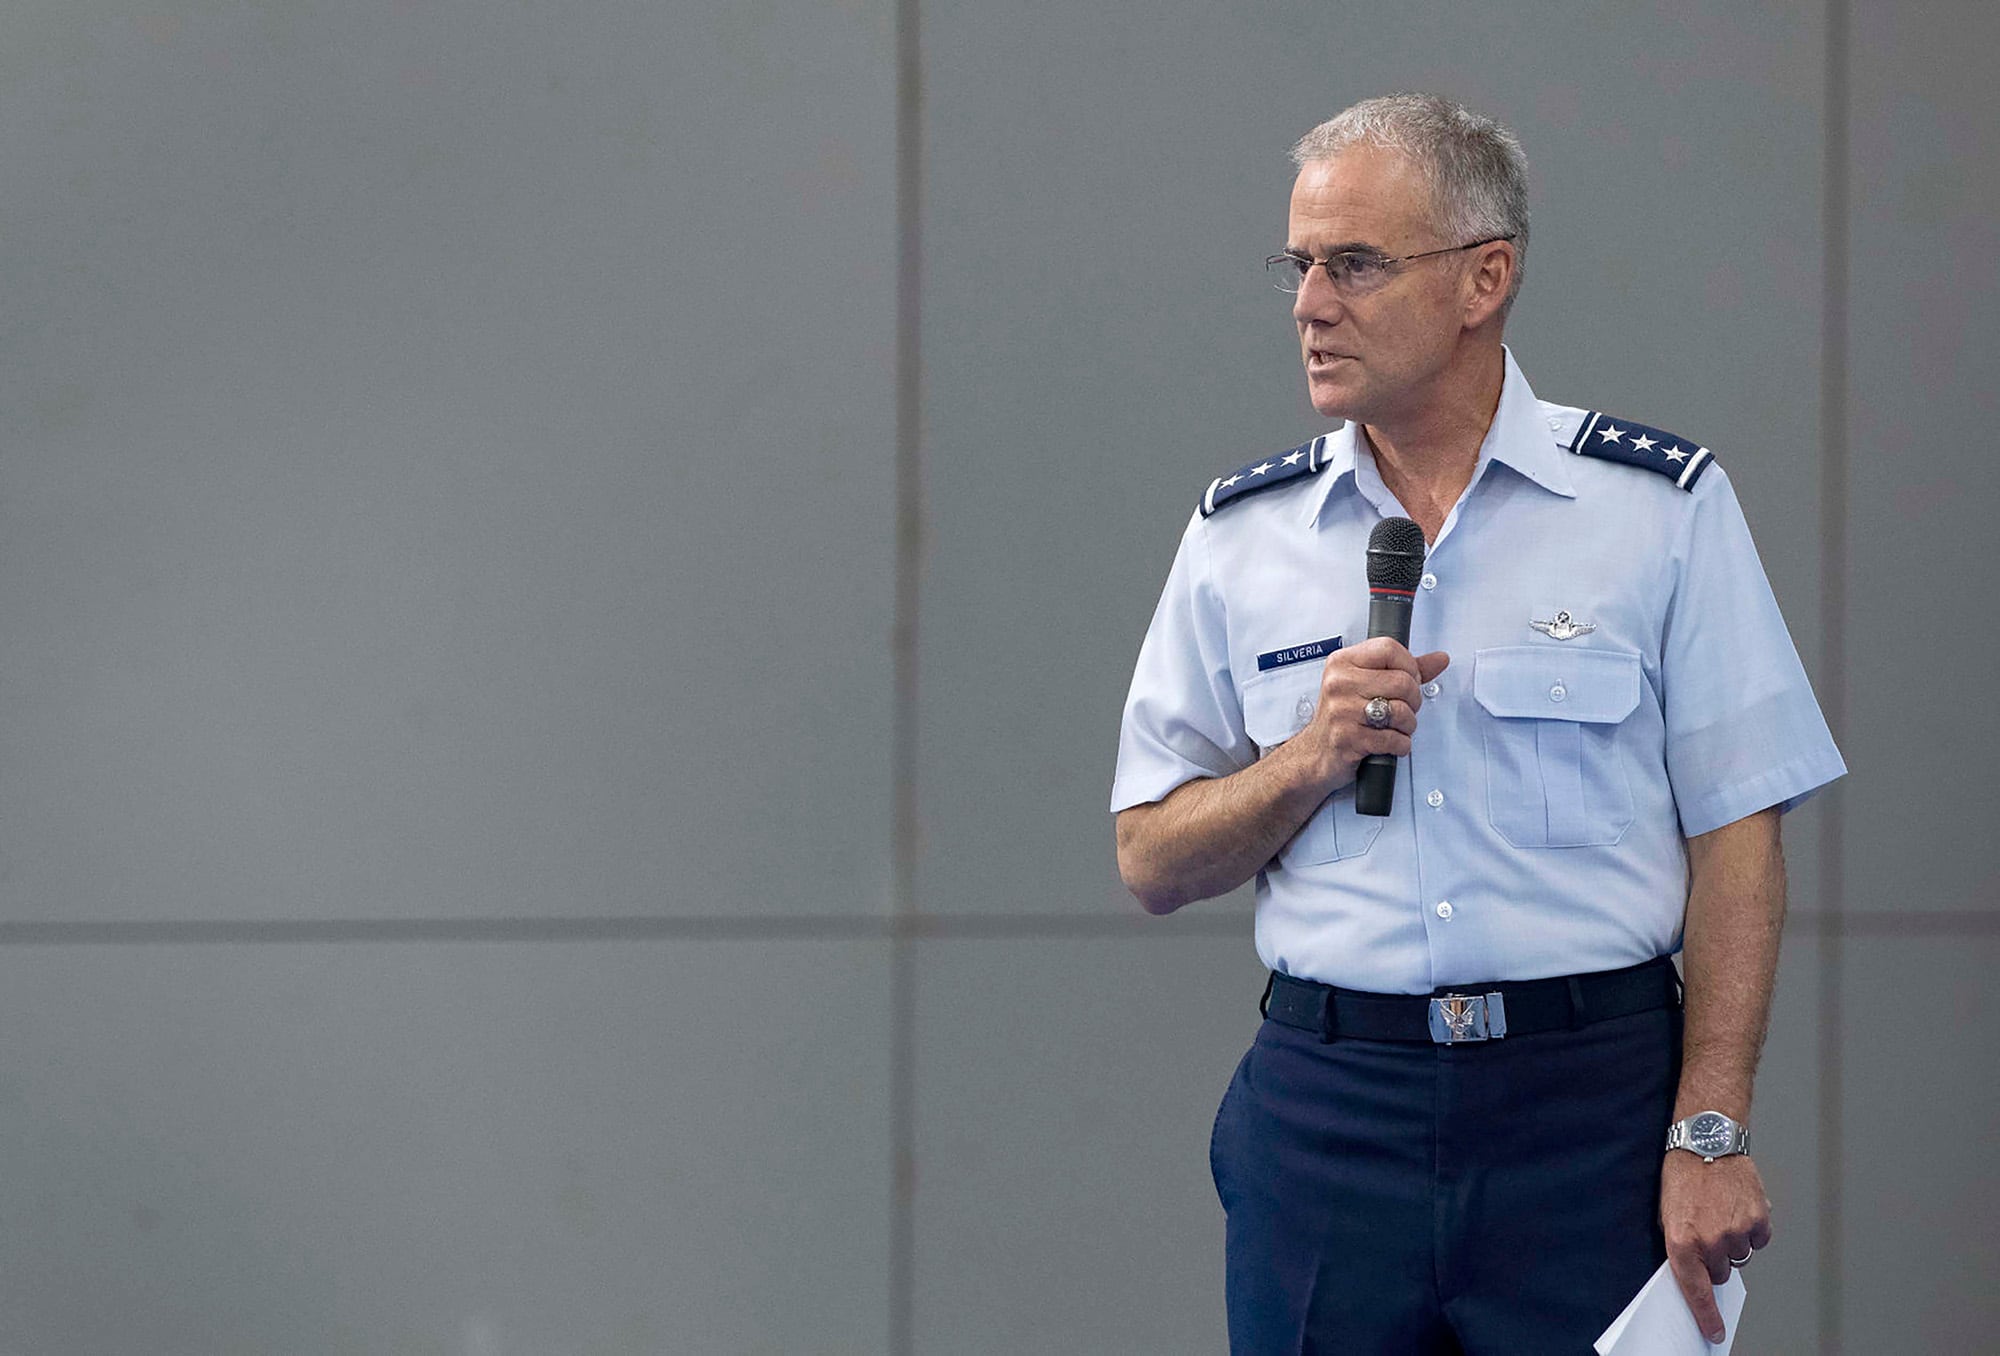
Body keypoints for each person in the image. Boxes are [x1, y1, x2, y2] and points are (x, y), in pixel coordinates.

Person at [1109, 93, 1845, 1354]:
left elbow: (1738, 838)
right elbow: (1150, 858)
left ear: (1481, 278)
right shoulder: (1241, 537)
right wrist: (1308, 758)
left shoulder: (1655, 511)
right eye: (1297, 265)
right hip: (1330, 1113)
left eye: (1353, 264)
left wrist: (1707, 1130)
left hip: (1590, 1114)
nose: (1308, 304)